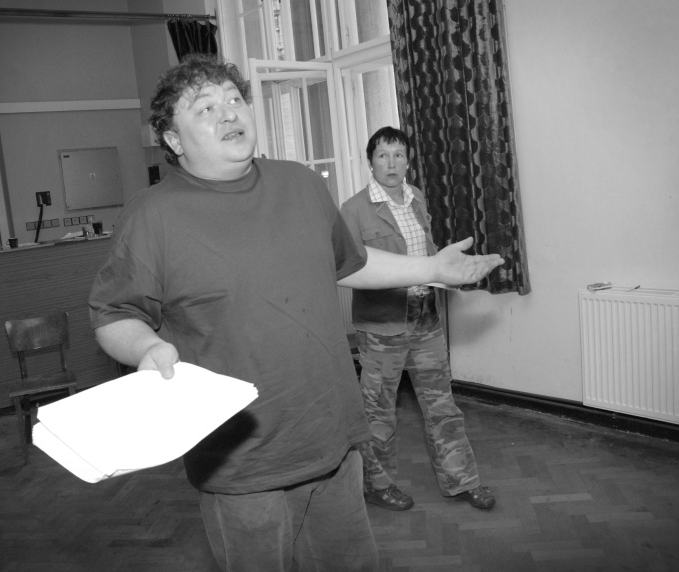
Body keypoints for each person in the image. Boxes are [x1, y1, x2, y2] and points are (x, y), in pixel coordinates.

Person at [88, 55, 503, 572]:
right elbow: (114, 315)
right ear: (173, 139)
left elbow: (351, 262)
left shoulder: (301, 183)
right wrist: (147, 346)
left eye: (234, 99)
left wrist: (432, 268)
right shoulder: (153, 215)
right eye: (205, 108)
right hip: (243, 462)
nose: (228, 113)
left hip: (333, 443)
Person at [340, 127, 496, 513]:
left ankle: (462, 481)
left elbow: (427, 259)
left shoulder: (417, 199)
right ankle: (377, 485)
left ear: (408, 161)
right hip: (382, 327)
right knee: (378, 413)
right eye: (382, 155)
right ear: (370, 162)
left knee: (443, 406)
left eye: (398, 155)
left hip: (426, 320)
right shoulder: (353, 209)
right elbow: (351, 270)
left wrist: (451, 274)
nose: (391, 163)